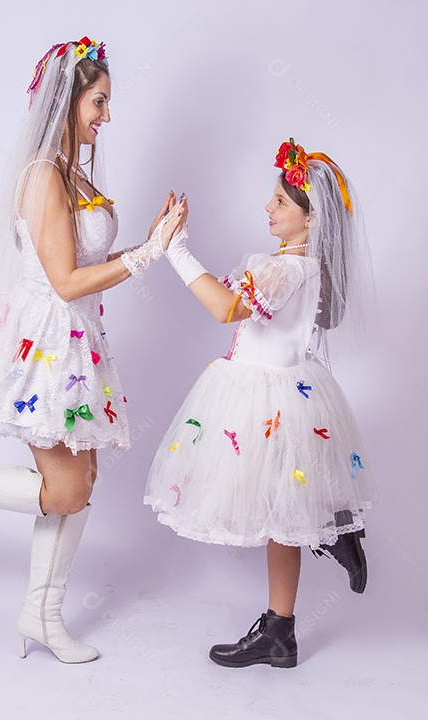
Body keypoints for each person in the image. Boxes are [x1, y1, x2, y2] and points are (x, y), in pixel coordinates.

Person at [0, 37, 187, 664]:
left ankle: (42, 614)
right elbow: (65, 281)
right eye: (99, 101)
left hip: (77, 339)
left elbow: (87, 261)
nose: (108, 115)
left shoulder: (76, 171)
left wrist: (150, 239)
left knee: (82, 479)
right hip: (42, 345)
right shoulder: (44, 176)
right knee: (67, 488)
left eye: (109, 102)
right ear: (70, 99)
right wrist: (149, 254)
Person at [144, 138, 377, 668]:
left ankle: (330, 531)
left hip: (264, 402)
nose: (267, 209)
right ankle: (283, 626)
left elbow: (227, 309)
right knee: (282, 513)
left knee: (280, 510)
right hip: (293, 394)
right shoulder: (305, 269)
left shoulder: (285, 269)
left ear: (310, 219)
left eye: (279, 202)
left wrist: (174, 251)